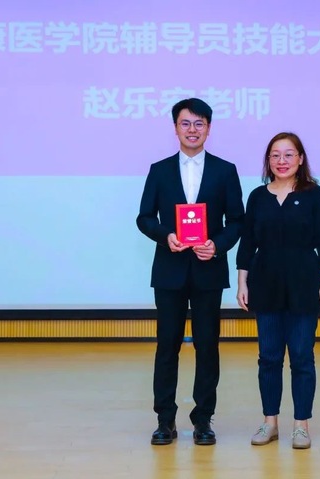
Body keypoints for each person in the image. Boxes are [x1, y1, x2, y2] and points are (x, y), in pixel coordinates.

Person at [137, 98, 245, 446]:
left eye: (199, 123)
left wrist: (217, 244)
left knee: (207, 346)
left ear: (209, 128)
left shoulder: (225, 170)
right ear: (175, 128)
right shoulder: (159, 170)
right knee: (167, 345)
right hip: (169, 271)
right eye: (186, 123)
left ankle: (203, 419)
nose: (192, 130)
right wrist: (165, 236)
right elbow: (144, 217)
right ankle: (164, 419)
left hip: (208, 270)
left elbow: (237, 220)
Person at [235, 132, 320, 449]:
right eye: (275, 155)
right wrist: (242, 282)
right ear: (268, 161)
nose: (282, 161)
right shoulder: (257, 196)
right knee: (268, 357)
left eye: (289, 154)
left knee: (302, 357)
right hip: (264, 285)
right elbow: (247, 243)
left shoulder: (313, 194)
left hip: (304, 285)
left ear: (300, 159)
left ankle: (301, 426)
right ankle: (270, 423)